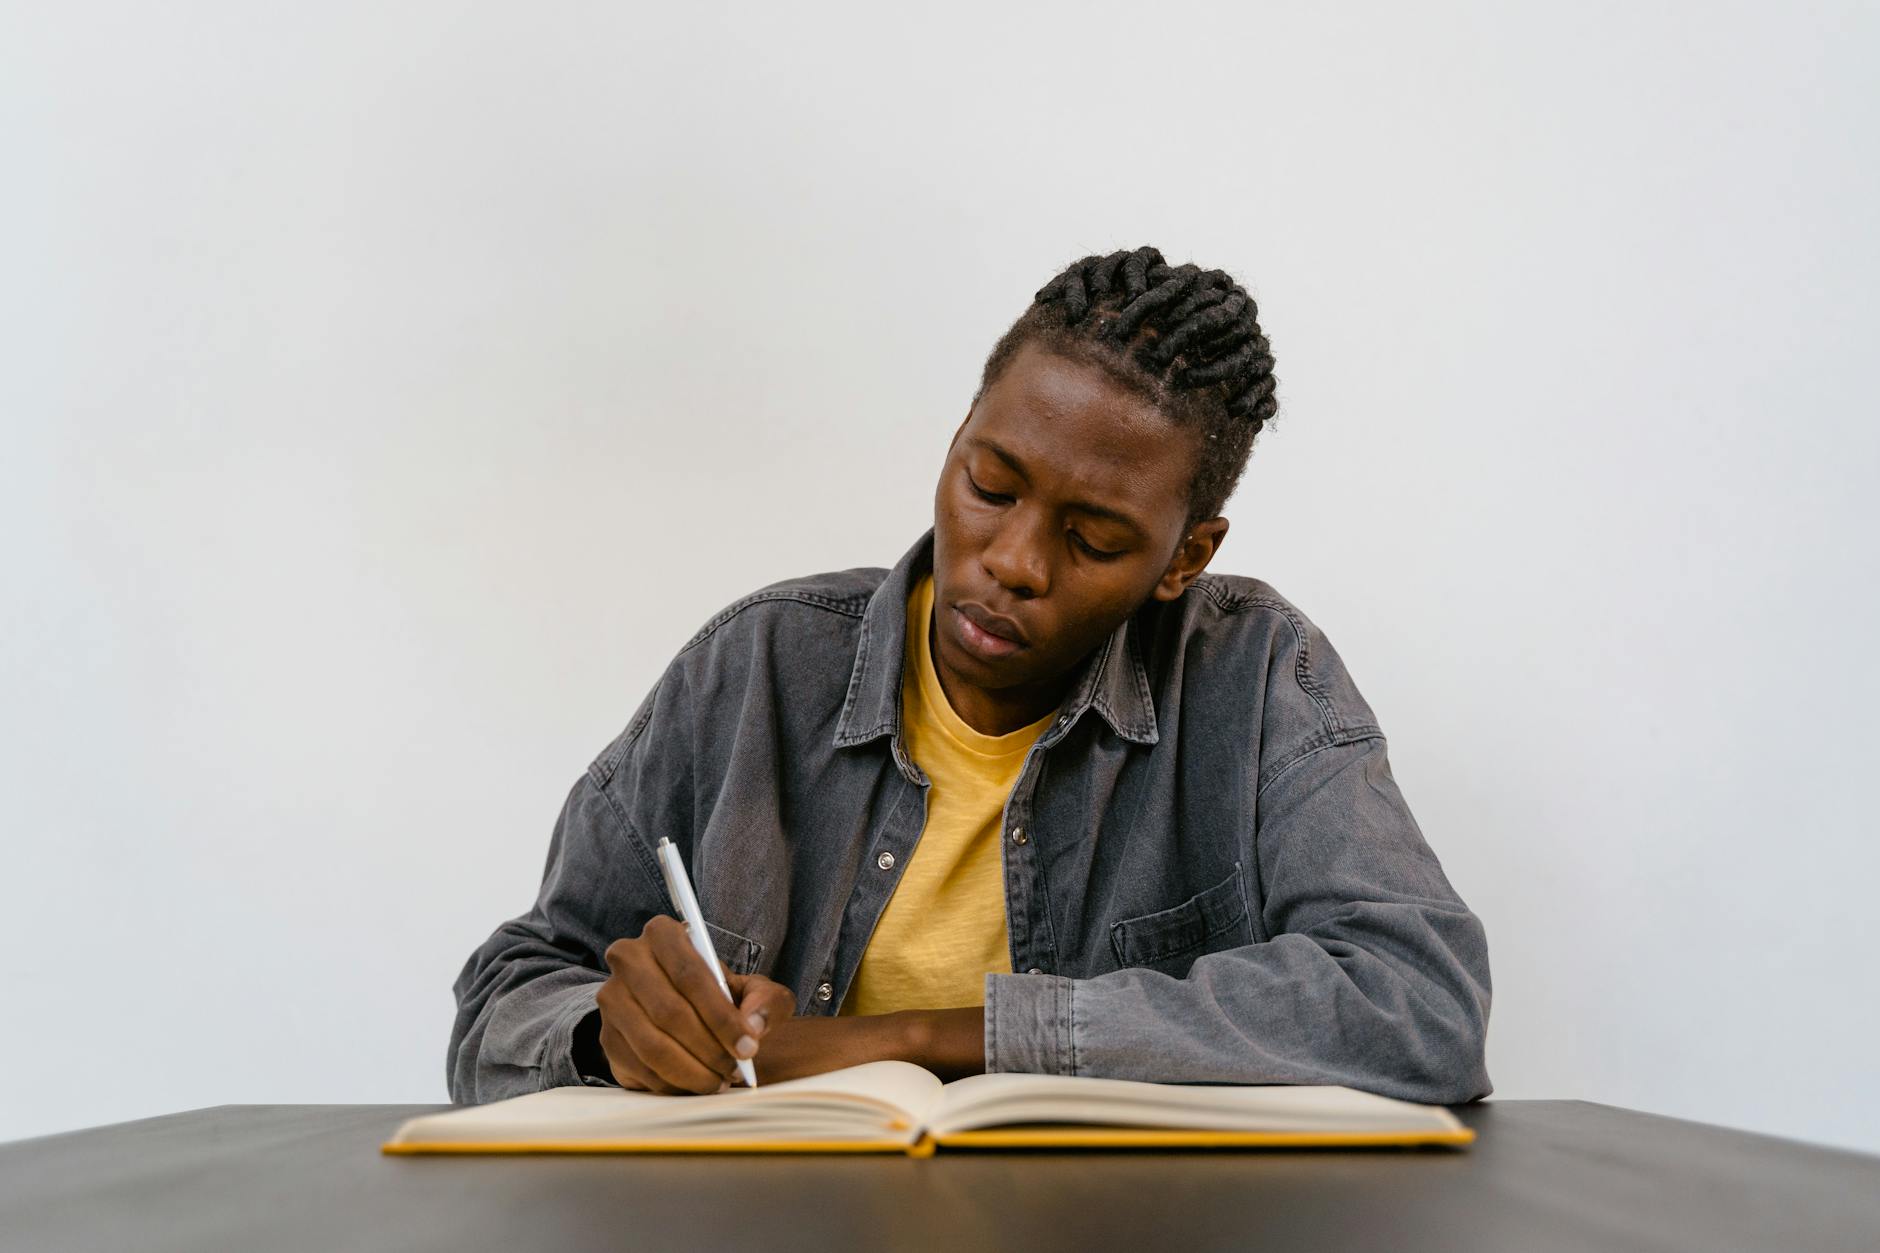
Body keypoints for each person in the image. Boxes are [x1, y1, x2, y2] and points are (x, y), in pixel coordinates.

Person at [445, 245, 1493, 1107]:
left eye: (1091, 539)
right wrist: (600, 1034)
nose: (1013, 561)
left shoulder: (1256, 677)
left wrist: (913, 1037)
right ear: (956, 441)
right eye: (989, 485)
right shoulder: (754, 669)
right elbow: (506, 993)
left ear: (1184, 557)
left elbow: (1418, 996)